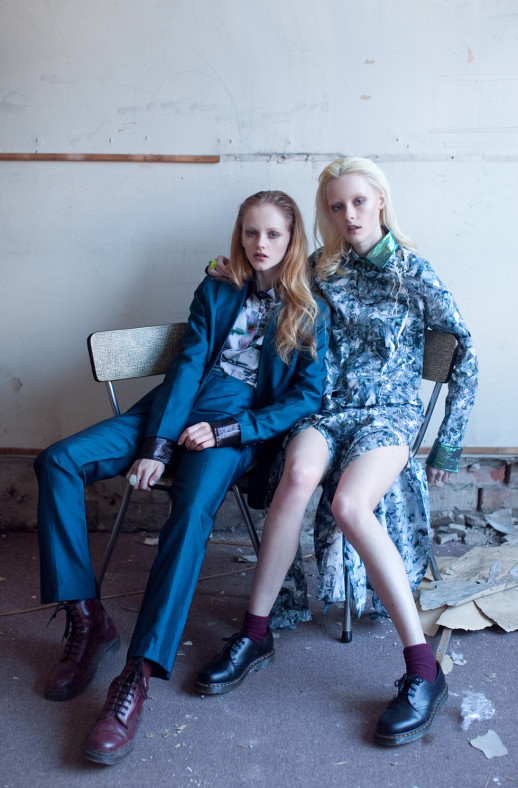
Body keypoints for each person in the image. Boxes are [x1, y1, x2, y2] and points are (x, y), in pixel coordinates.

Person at [34, 190, 329, 765]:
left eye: (273, 234)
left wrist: (230, 431)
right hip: (170, 407)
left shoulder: (310, 308)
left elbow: (305, 397)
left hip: (232, 427)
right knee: (58, 460)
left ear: (293, 240)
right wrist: (159, 443)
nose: (260, 244)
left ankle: (137, 674)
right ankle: (88, 621)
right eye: (250, 232)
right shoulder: (216, 287)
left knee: (192, 512)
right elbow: (189, 365)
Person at [194, 157, 478, 746]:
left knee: (350, 505)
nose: (348, 214)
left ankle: (424, 671)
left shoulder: (413, 271)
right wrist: (225, 271)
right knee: (296, 478)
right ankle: (255, 633)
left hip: (388, 416)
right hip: (326, 411)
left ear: (381, 200)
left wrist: (447, 444)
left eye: (358, 201)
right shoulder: (323, 267)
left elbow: (464, 354)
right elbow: (267, 281)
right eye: (336, 205)